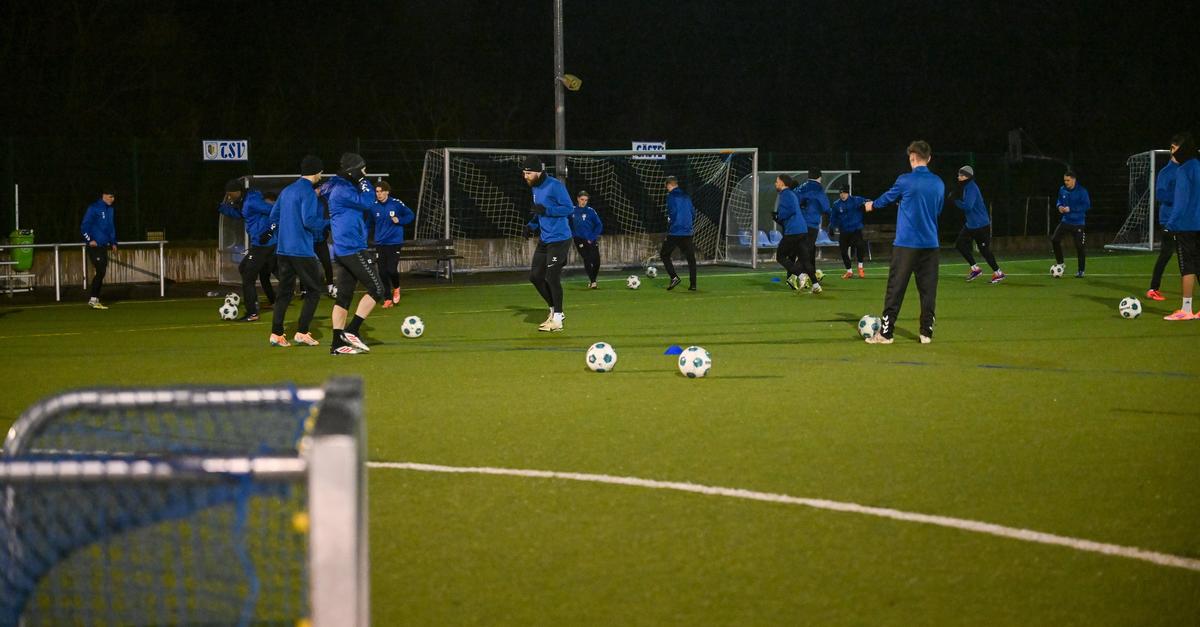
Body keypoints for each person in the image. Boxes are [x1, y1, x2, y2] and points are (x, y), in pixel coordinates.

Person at [864, 140, 944, 344]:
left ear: (912, 158)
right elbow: (938, 209)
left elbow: (888, 198)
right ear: (929, 159)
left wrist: (872, 205)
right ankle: (926, 333)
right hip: (931, 244)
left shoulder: (905, 180)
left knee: (896, 289)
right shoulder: (938, 183)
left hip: (907, 244)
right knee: (928, 290)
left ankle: (885, 334)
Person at [325, 152, 387, 354]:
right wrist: (363, 180)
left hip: (344, 248)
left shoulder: (340, 186)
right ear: (354, 171)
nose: (365, 172)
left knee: (343, 297)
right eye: (363, 168)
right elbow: (368, 201)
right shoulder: (343, 189)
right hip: (351, 248)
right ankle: (352, 330)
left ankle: (337, 344)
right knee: (377, 289)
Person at [268, 156, 327, 347]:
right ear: (317, 172)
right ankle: (302, 331)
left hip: (283, 250)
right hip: (301, 250)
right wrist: (328, 223)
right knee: (314, 290)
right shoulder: (308, 192)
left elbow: (273, 216)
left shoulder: (287, 190)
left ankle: (276, 333)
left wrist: (284, 232)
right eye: (321, 171)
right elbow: (309, 221)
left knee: (284, 292)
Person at [522, 155, 574, 331]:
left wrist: (547, 210)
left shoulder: (554, 185)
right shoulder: (535, 187)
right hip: (545, 239)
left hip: (560, 239)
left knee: (551, 277)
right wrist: (532, 225)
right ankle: (554, 311)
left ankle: (558, 319)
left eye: (528, 173)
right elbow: (539, 211)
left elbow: (568, 208)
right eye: (524, 173)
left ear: (538, 172)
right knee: (535, 277)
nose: (526, 176)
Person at [218, 179, 279, 321]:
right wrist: (221, 208)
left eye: (229, 194)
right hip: (260, 244)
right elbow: (240, 214)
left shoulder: (251, 201)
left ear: (237, 192)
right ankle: (259, 304)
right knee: (244, 268)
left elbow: (276, 211)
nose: (228, 197)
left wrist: (269, 231)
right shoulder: (245, 202)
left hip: (265, 244)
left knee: (248, 276)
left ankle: (252, 312)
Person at [1163, 133, 1199, 321]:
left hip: (1187, 226)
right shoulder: (1198, 166)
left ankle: (1186, 309)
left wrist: (1170, 224)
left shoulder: (1183, 170)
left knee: (1188, 267)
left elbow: (1181, 201)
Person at [951, 166, 1005, 284]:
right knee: (959, 244)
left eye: (960, 175)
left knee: (984, 251)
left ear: (967, 176)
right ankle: (976, 269)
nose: (958, 177)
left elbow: (968, 206)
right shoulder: (967, 187)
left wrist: (955, 200)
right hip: (971, 225)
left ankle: (998, 273)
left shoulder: (971, 187)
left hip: (980, 225)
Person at [1147, 135, 1184, 302]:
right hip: (1170, 220)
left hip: (1187, 220)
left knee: (1188, 256)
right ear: (1172, 150)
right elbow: (1160, 194)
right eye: (1176, 149)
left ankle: (1153, 288)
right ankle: (1154, 288)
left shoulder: (1187, 169)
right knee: (1168, 253)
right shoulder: (1166, 172)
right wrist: (1180, 197)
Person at [372, 180, 415, 308]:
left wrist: (400, 220)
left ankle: (396, 287)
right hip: (380, 243)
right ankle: (387, 298)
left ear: (387, 192)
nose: (378, 194)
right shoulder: (373, 206)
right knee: (382, 272)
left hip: (394, 242)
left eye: (381, 192)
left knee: (391, 269)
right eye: (377, 192)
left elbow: (410, 215)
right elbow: (368, 222)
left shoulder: (396, 203)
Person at [80, 186, 118, 309]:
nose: (113, 199)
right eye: (111, 196)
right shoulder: (94, 208)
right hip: (94, 246)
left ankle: (94, 298)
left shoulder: (110, 210)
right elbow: (84, 226)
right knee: (101, 270)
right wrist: (89, 239)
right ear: (104, 195)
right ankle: (93, 298)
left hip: (103, 246)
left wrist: (113, 242)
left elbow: (111, 227)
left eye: (113, 196)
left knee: (102, 271)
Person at [796, 169, 831, 293]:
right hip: (811, 224)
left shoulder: (801, 187)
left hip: (798, 224)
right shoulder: (818, 189)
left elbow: (794, 201)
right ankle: (799, 275)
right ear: (820, 178)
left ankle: (812, 277)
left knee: (807, 250)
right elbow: (826, 207)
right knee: (807, 251)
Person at [772, 174, 809, 290]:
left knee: (780, 256)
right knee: (796, 256)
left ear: (782, 183)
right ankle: (794, 279)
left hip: (794, 231)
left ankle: (802, 275)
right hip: (801, 230)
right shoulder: (790, 194)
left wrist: (779, 216)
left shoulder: (786, 194)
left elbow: (790, 210)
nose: (775, 183)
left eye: (777, 181)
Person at [1050, 170, 1090, 278]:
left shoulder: (1082, 191)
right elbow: (1059, 201)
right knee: (1055, 240)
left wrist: (1071, 209)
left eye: (1068, 180)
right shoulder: (1062, 190)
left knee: (1079, 246)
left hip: (1078, 223)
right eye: (1065, 180)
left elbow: (1086, 206)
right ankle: (1061, 263)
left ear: (1074, 180)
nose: (1066, 182)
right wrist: (1059, 207)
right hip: (1066, 221)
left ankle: (1081, 270)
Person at [661, 176, 697, 291]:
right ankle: (693, 285)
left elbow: (672, 212)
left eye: (666, 186)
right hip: (687, 231)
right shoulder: (686, 196)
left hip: (675, 232)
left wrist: (670, 223)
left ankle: (674, 277)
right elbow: (693, 213)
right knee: (691, 259)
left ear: (669, 185)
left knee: (664, 254)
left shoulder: (671, 196)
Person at [830, 187, 867, 279]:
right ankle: (849, 271)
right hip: (844, 231)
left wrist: (866, 204)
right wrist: (831, 227)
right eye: (841, 193)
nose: (842, 195)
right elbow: (833, 217)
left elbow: (868, 201)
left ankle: (860, 267)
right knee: (843, 251)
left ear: (848, 193)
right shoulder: (836, 204)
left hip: (856, 230)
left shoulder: (856, 200)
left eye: (844, 193)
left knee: (860, 246)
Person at [570, 190, 603, 288]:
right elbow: (566, 223)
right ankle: (593, 282)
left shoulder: (591, 211)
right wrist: (573, 234)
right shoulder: (571, 210)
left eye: (586, 200)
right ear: (577, 199)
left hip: (591, 239)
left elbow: (599, 225)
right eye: (582, 199)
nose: (584, 202)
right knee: (587, 258)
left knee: (597, 262)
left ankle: (593, 280)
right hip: (579, 239)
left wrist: (592, 237)